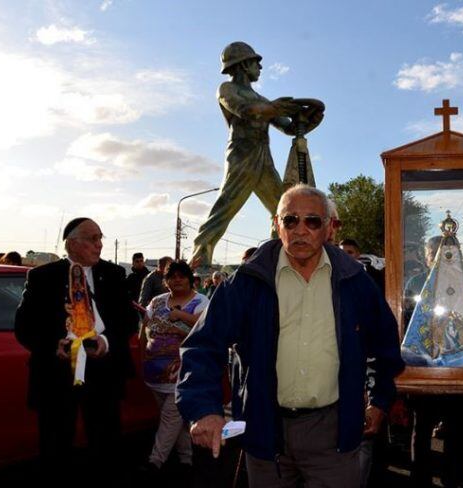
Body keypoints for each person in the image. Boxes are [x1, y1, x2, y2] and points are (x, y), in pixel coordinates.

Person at [176, 184, 404, 487]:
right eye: (290, 220)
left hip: (333, 433)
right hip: (265, 430)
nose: (301, 230)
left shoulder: (356, 282)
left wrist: (378, 398)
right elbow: (203, 345)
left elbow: (384, 346)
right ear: (276, 225)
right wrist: (204, 409)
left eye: (312, 221)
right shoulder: (247, 282)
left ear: (329, 229)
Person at [14, 217, 137, 482]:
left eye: (100, 238)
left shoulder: (114, 275)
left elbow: (127, 321)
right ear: (72, 243)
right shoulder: (41, 277)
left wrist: (107, 342)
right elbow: (24, 327)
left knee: (105, 443)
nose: (100, 245)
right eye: (93, 239)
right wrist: (52, 345)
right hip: (56, 375)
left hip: (103, 372)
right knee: (55, 445)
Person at [190, 42, 323, 266]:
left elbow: (288, 127)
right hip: (241, 158)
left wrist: (311, 119)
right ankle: (198, 260)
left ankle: (278, 258)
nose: (260, 67)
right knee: (223, 210)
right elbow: (247, 111)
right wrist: (278, 108)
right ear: (243, 65)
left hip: (263, 160)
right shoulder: (227, 89)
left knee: (283, 209)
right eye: (255, 62)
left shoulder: (262, 100)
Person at [139, 260, 209, 475]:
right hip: (154, 373)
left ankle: (155, 461)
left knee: (171, 417)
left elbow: (204, 330)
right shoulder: (157, 301)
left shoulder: (201, 300)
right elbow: (145, 329)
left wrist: (179, 316)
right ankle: (186, 458)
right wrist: (143, 355)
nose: (177, 280)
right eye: (172, 277)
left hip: (184, 373)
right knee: (172, 420)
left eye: (181, 276)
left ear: (190, 279)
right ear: (165, 281)